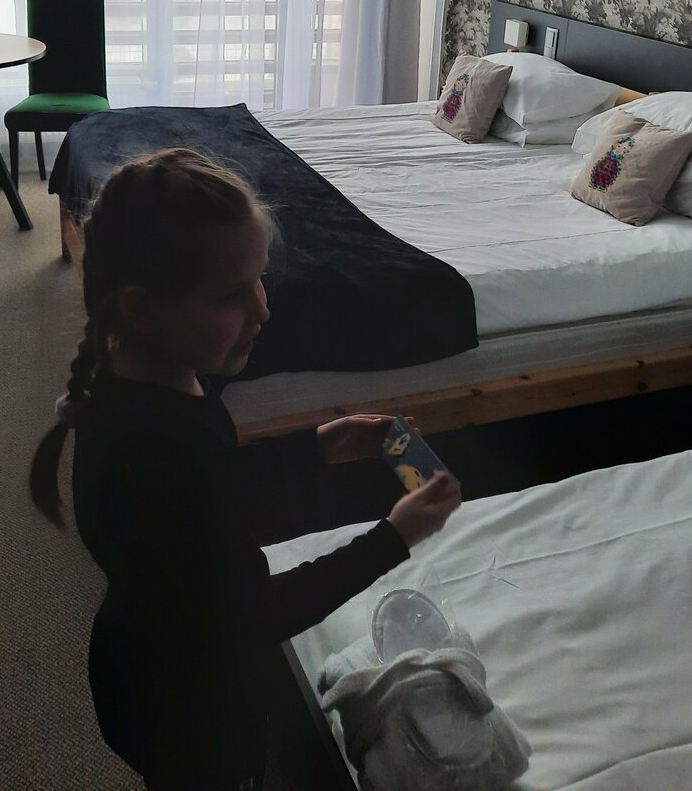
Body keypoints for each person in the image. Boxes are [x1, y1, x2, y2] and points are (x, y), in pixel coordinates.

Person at [29, 147, 461, 790]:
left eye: (259, 280)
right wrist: (394, 537)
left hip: (149, 659)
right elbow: (255, 613)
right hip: (189, 710)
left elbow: (215, 489)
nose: (263, 309)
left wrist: (319, 445)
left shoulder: (144, 386)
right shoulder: (163, 443)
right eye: (233, 294)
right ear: (142, 309)